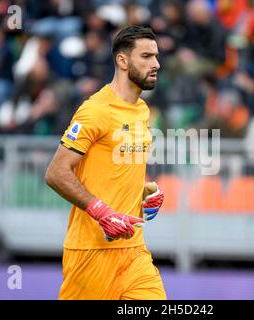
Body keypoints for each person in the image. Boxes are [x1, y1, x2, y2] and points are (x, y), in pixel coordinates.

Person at [45, 26, 166, 300]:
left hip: (134, 251)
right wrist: (102, 212)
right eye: (146, 56)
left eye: (156, 56)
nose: (156, 64)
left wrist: (145, 189)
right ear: (122, 61)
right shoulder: (95, 110)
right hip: (90, 253)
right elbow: (56, 172)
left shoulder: (142, 110)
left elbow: (118, 165)